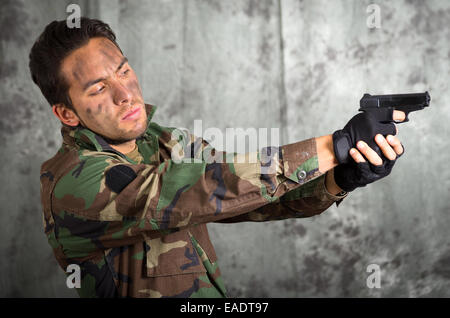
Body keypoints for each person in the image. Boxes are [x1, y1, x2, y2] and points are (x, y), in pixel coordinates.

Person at [30, 17, 404, 298]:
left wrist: (343, 175)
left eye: (123, 70)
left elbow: (249, 199)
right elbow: (207, 188)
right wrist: (332, 146)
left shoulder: (166, 141)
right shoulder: (72, 182)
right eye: (99, 88)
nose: (124, 93)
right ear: (67, 114)